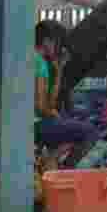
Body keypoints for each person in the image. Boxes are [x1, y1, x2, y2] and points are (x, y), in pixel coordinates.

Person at [34, 19, 98, 166]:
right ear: (47, 41)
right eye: (58, 42)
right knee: (91, 132)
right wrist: (50, 112)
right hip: (34, 125)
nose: (59, 48)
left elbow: (48, 104)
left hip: (29, 122)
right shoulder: (39, 63)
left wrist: (59, 70)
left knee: (65, 120)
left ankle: (50, 161)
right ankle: (64, 170)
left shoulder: (31, 59)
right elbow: (40, 106)